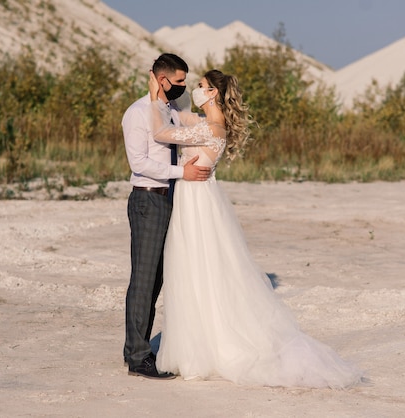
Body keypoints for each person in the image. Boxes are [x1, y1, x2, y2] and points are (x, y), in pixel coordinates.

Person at [148, 69, 366, 388]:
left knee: (198, 268)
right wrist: (168, 99)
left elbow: (160, 133)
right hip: (196, 198)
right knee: (195, 269)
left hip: (197, 202)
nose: (195, 89)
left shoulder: (213, 128)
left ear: (213, 94)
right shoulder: (207, 123)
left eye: (200, 86)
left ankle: (205, 350)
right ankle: (198, 344)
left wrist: (154, 94)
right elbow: (179, 118)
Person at [122, 53, 211, 380]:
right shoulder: (138, 113)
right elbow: (139, 163)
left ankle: (140, 347)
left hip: (168, 199)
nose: (182, 87)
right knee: (144, 279)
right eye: (178, 82)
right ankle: (137, 356)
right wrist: (180, 173)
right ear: (161, 80)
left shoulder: (170, 111)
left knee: (156, 278)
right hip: (148, 199)